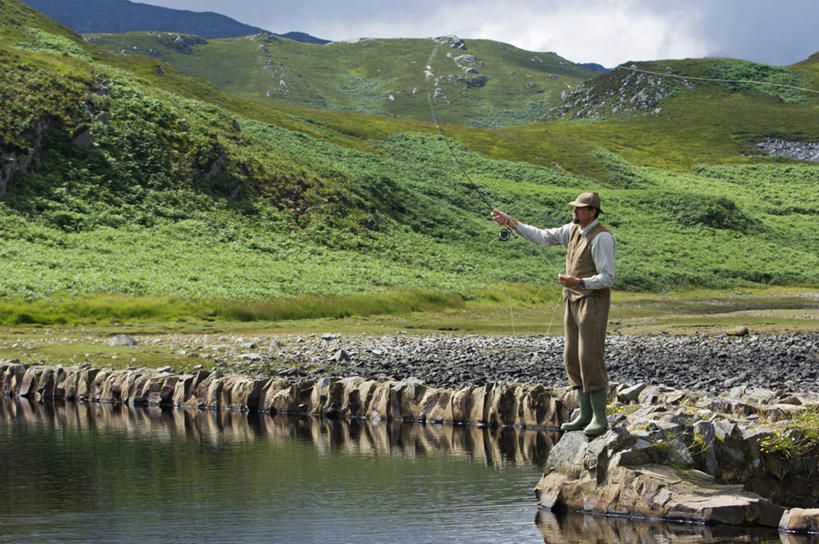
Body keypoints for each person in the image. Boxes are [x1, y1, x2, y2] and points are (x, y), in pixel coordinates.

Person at [492, 192, 616, 437]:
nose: (575, 212)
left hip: (593, 303)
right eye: (575, 208)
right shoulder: (571, 230)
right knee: (572, 357)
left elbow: (607, 278)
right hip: (572, 300)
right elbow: (542, 236)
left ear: (592, 212)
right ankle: (585, 413)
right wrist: (511, 222)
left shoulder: (602, 238)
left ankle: (600, 418)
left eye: (580, 209)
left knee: (590, 358)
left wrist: (577, 281)